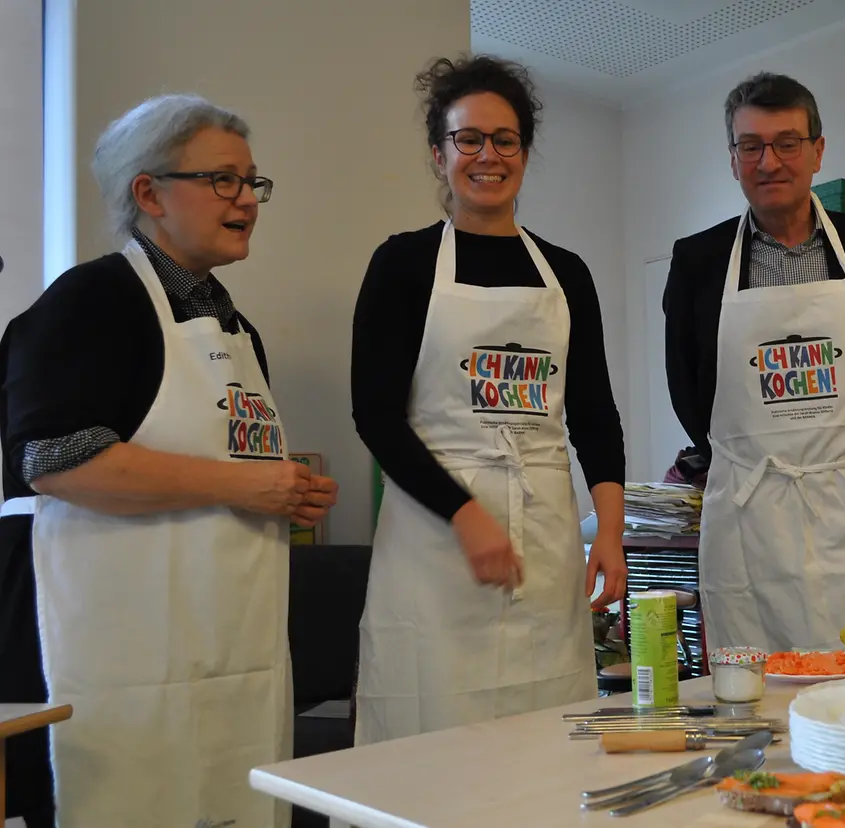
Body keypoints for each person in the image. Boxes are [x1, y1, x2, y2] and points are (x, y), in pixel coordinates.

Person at [0, 94, 337, 828]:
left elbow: (231, 472)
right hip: (112, 655)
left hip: (230, 655)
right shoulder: (91, 301)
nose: (247, 199)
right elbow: (55, 458)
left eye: (253, 183)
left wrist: (287, 493)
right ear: (147, 192)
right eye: (223, 180)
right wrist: (248, 485)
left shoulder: (234, 326)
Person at [351, 55, 626, 743]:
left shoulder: (566, 273)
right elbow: (376, 415)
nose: (487, 155)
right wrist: (466, 515)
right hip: (433, 543)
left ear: (524, 153)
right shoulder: (402, 265)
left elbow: (593, 414)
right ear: (439, 154)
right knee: (434, 732)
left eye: (504, 139)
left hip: (544, 540)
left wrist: (613, 533)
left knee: (542, 733)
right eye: (467, 139)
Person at [663, 72, 845, 653]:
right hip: (752, 513)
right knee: (762, 683)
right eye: (750, 146)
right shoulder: (698, 260)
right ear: (733, 160)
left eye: (787, 143)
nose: (769, 162)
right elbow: (686, 384)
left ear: (816, 151)